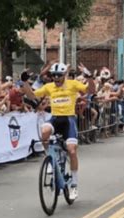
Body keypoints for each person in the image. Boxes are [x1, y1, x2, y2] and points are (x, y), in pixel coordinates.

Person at [23, 63, 87, 200]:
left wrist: (90, 77)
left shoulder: (73, 84)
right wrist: (24, 82)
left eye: (59, 76)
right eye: (54, 76)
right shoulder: (49, 87)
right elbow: (32, 95)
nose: (56, 78)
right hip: (55, 118)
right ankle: (50, 158)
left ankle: (74, 184)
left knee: (72, 150)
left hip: (69, 120)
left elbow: (89, 91)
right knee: (44, 130)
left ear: (64, 75)